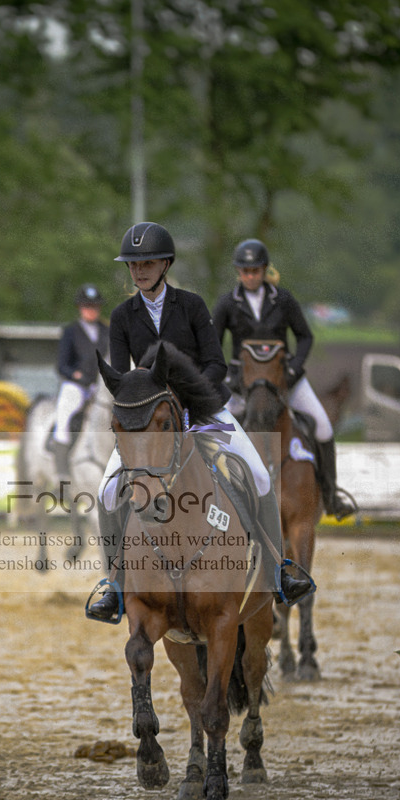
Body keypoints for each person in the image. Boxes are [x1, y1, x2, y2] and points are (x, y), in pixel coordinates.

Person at [86, 221, 314, 623]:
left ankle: (279, 570)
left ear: (165, 264)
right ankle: (114, 584)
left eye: (148, 263)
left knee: (260, 475)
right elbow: (122, 380)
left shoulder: (190, 305)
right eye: (133, 265)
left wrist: (189, 407)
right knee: (107, 492)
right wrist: (141, 415)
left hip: (204, 411)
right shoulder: (122, 317)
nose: (139, 271)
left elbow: (216, 364)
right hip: (152, 423)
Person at [213, 238, 357, 521]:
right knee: (213, 434)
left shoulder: (284, 300)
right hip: (244, 387)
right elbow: (211, 343)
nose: (251, 276)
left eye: (256, 270)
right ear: (238, 272)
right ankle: (214, 500)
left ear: (265, 270)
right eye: (245, 271)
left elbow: (305, 337)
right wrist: (229, 373)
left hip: (285, 382)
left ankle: (330, 495)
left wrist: (292, 369)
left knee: (324, 428)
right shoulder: (228, 303)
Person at [52, 284, 110, 477]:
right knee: (65, 414)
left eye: (94, 306)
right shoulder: (71, 331)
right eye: (87, 306)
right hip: (77, 386)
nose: (91, 310)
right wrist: (76, 375)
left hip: (102, 386)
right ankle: (62, 469)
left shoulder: (107, 331)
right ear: (80, 308)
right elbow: (62, 365)